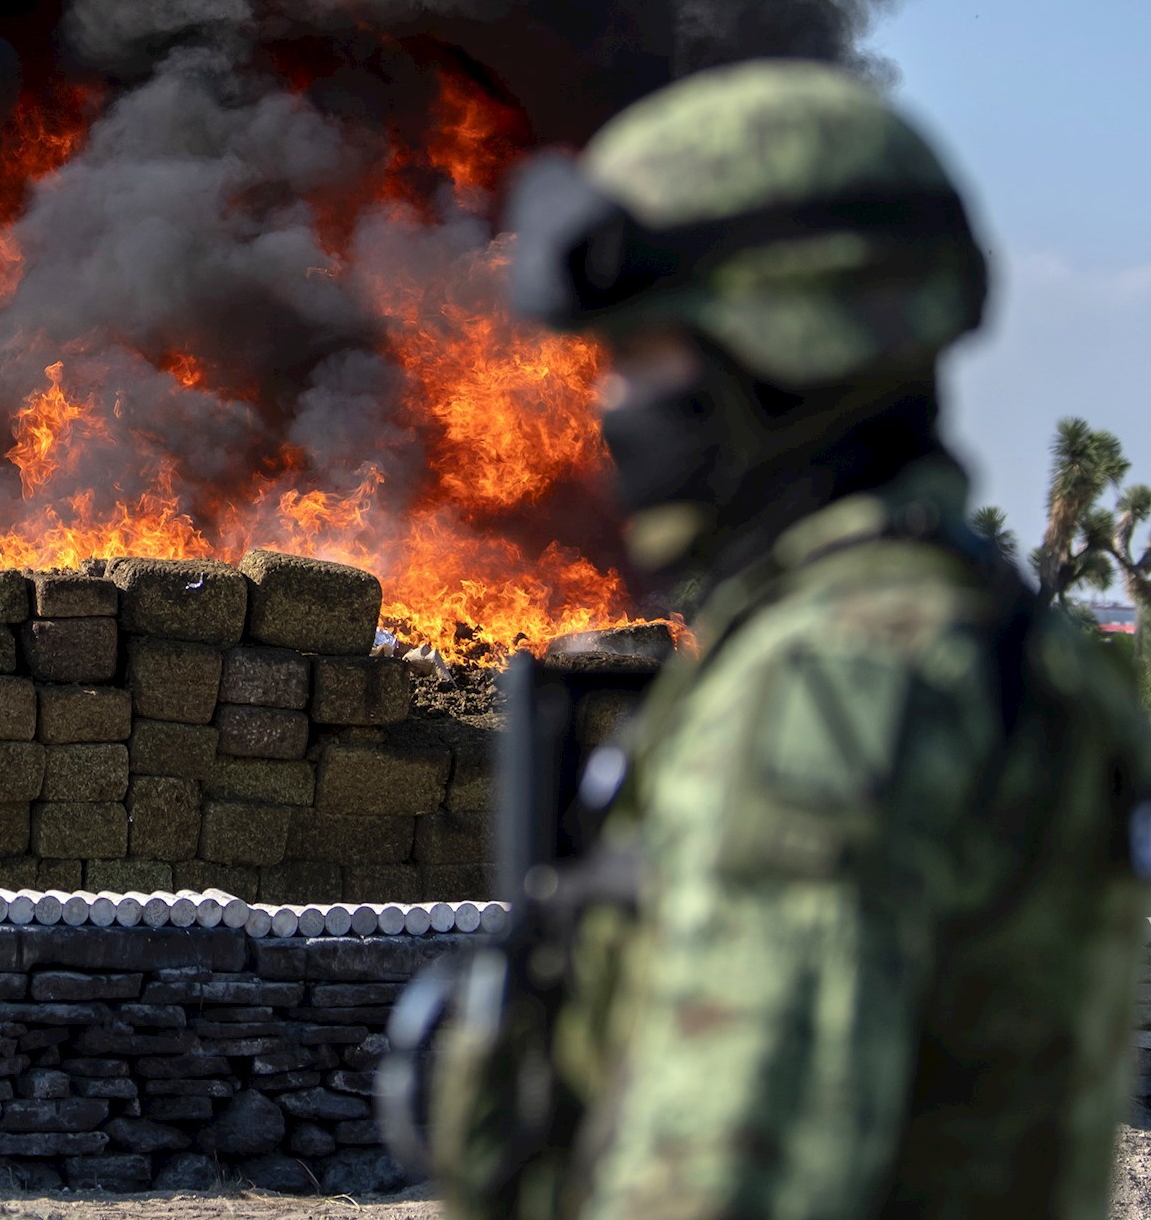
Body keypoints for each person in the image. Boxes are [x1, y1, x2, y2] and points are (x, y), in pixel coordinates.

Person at [437, 60, 1151, 1219]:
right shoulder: (1010, 647)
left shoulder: (832, 684)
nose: (613, 407)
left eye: (646, 356)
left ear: (785, 336)